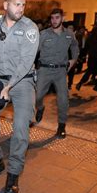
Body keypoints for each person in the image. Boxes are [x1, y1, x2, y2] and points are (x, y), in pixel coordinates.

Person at [0, 0, 39, 193]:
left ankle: (13, 175)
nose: (21, 9)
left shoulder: (30, 28)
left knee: (21, 129)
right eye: (17, 4)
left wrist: (9, 87)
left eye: (23, 5)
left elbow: (25, 62)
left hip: (22, 81)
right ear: (5, 5)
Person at [34, 8, 79, 138]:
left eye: (57, 18)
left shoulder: (69, 34)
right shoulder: (44, 34)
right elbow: (35, 51)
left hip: (60, 71)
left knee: (63, 99)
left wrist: (73, 60)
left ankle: (61, 126)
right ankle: (40, 108)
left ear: (62, 18)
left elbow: (75, 46)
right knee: (37, 97)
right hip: (44, 70)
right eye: (52, 18)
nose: (54, 21)